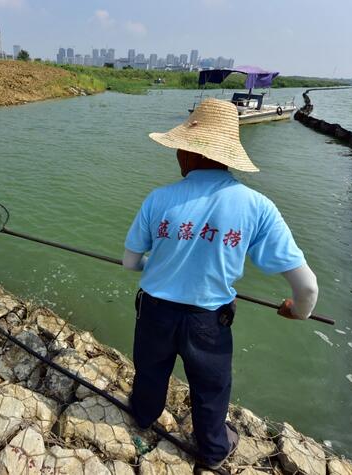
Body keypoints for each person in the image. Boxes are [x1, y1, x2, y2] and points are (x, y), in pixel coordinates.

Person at [123, 98, 318, 470]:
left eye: (179, 147)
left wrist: (155, 263)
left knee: (149, 371)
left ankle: (143, 415)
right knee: (211, 390)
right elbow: (307, 287)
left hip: (155, 313)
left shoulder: (158, 199)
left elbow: (130, 262)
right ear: (227, 155)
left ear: (187, 152)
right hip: (209, 322)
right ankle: (213, 450)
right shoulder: (257, 206)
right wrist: (299, 311)